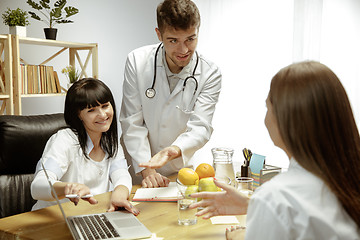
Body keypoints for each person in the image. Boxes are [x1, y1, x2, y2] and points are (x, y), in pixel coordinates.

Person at [190, 61, 360, 239]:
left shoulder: (276, 198)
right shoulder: (349, 179)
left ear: (286, 121)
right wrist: (253, 205)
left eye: (268, 107)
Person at [120, 0, 222, 188]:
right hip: (139, 167)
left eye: (190, 39)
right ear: (159, 34)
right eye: (173, 40)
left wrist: (173, 150)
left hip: (179, 170)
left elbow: (201, 126)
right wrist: (147, 169)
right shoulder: (137, 61)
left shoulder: (210, 73)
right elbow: (132, 121)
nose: (183, 50)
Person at [31, 78, 139, 216]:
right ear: (78, 115)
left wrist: (119, 194)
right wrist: (67, 188)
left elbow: (122, 175)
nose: (102, 114)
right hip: (52, 219)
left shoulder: (110, 142)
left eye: (105, 106)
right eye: (91, 110)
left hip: (91, 215)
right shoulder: (64, 140)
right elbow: (37, 187)